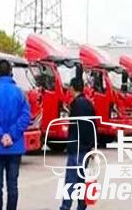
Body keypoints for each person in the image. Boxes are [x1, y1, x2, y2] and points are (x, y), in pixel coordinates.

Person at [0, 59, 31, 210]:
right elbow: (26, 116)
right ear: (11, 72)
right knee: (13, 185)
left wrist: (0, 135)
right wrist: (12, 135)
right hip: (15, 146)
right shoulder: (21, 92)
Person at [59, 73, 96, 210]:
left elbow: (76, 128)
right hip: (86, 148)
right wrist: (92, 146)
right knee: (81, 179)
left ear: (72, 88)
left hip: (76, 148)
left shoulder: (76, 105)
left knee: (71, 180)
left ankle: (65, 206)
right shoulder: (89, 104)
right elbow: (93, 126)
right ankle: (81, 206)